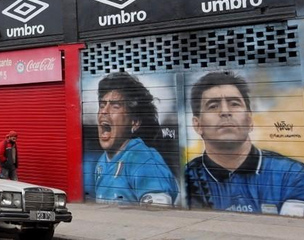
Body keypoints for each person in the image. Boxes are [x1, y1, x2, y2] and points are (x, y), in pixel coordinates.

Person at [186, 71, 304, 216]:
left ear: (249, 120)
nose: (225, 112)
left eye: (234, 104)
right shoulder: (185, 179)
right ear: (198, 125)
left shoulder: (292, 174)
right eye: (213, 106)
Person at [91, 72, 178, 205]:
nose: (104, 111)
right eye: (102, 105)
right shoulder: (102, 162)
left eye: (115, 106)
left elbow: (159, 210)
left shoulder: (143, 159)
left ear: (135, 122)